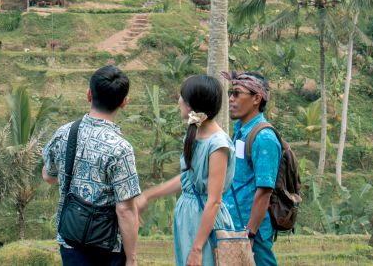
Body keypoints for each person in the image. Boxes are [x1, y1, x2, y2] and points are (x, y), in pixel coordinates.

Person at [42, 65, 140, 266]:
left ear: (88, 94)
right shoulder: (121, 148)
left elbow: (48, 175)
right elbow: (125, 209)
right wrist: (131, 258)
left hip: (71, 239)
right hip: (108, 246)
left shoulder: (64, 133)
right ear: (124, 102)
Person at [137, 75, 235, 266]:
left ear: (191, 105)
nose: (179, 100)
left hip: (205, 223)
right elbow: (186, 180)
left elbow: (214, 201)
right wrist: (147, 196)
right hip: (188, 218)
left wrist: (197, 248)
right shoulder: (194, 134)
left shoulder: (218, 145)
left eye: (182, 96)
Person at [222, 72, 281, 266]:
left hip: (250, 231)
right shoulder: (240, 131)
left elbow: (264, 190)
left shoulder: (264, 137)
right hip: (234, 227)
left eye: (237, 93)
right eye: (231, 92)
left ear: (257, 98)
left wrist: (251, 233)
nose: (231, 98)